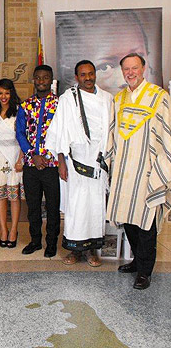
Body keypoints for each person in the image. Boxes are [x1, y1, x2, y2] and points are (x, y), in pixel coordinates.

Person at [107, 53, 171, 290]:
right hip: (125, 170)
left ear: (144, 69)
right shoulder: (119, 98)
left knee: (146, 222)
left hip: (147, 170)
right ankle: (136, 260)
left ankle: (145, 271)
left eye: (135, 68)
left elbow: (167, 134)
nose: (130, 72)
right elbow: (113, 132)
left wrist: (161, 169)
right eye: (126, 69)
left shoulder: (159, 97)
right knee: (128, 219)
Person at [46, 60, 112, 267]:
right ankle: (74, 250)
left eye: (91, 74)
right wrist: (61, 162)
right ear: (76, 77)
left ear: (95, 75)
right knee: (76, 207)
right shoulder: (68, 99)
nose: (88, 78)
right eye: (83, 75)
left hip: (98, 162)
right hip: (75, 162)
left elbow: (112, 132)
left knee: (95, 206)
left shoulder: (107, 99)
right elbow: (59, 132)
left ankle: (92, 250)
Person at [16, 65, 60, 258]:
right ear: (33, 80)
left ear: (51, 80)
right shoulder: (25, 106)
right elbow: (20, 133)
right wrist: (33, 154)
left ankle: (52, 243)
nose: (42, 81)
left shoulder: (60, 105)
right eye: (38, 78)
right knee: (33, 206)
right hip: (31, 165)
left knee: (52, 206)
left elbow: (63, 134)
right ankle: (35, 241)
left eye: (46, 78)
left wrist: (47, 156)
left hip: (52, 166)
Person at [0, 79, 24, 248]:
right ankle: (3, 229)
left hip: (16, 153)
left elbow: (24, 136)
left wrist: (21, 159)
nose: (4, 96)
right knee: (1, 196)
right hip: (0, 154)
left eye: (7, 93)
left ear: (12, 93)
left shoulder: (19, 111)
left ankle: (14, 230)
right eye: (0, 93)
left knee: (14, 196)